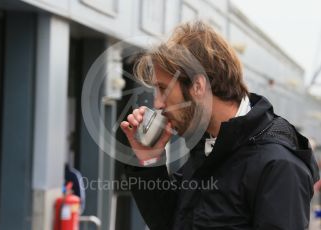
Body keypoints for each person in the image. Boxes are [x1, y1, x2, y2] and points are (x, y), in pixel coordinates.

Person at [120, 20, 319, 230]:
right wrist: (150, 162)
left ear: (198, 86)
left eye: (163, 89)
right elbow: (171, 223)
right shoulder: (209, 145)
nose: (158, 103)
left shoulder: (278, 165)